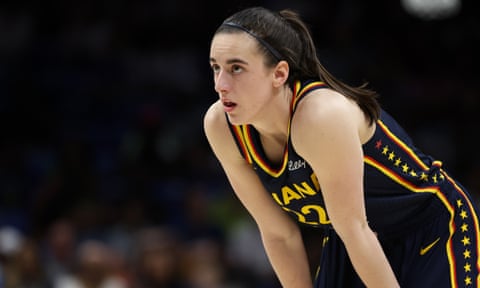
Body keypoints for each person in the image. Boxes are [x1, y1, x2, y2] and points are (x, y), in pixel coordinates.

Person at [203, 6, 480, 288]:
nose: (220, 84)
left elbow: (357, 229)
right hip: (351, 240)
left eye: (236, 68)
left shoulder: (320, 116)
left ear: (279, 74)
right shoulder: (220, 126)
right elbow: (278, 233)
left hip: (430, 229)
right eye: (216, 67)